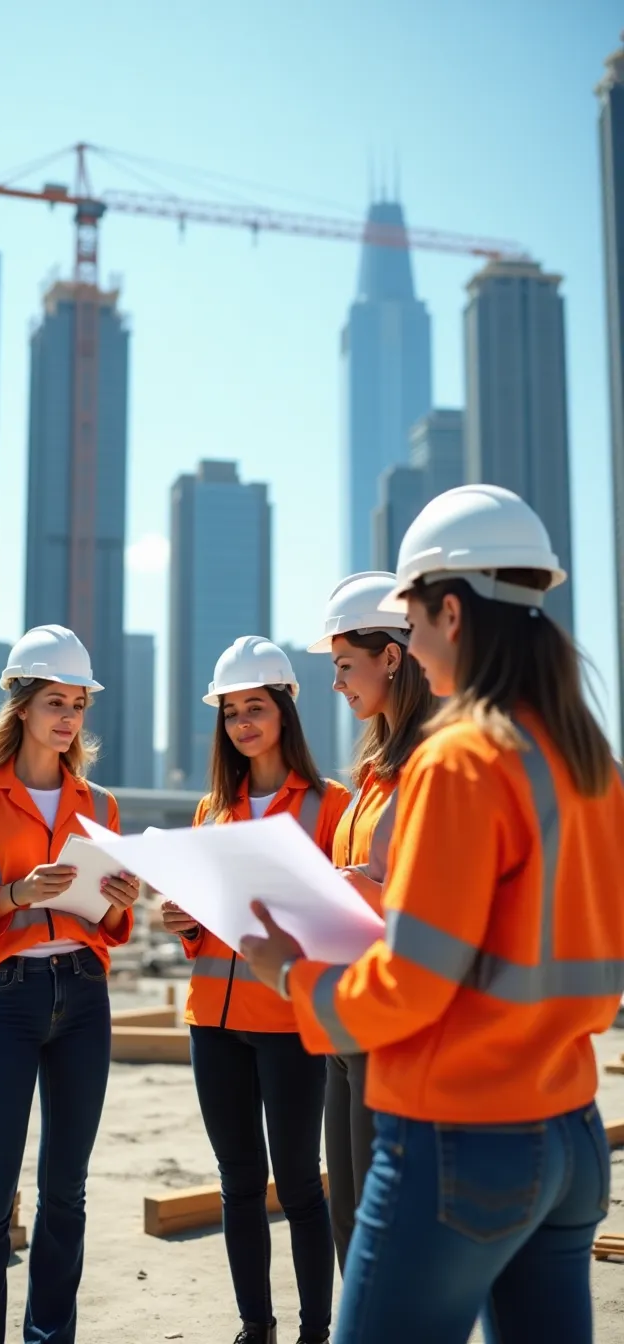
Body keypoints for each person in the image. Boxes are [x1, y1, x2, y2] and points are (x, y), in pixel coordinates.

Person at [240, 485, 624, 1344]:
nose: (408, 644)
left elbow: (413, 983)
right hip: (569, 1134)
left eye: (410, 624)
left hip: (462, 1140)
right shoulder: (590, 762)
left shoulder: (462, 759)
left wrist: (292, 980)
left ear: (451, 611)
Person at [0, 625, 140, 1344]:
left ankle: (52, 1338)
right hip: (5, 1001)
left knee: (67, 1195)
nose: (69, 717)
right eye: (55, 700)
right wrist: (15, 894)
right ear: (21, 706)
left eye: (78, 703)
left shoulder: (99, 805)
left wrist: (118, 897)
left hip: (83, 997)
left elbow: (107, 925)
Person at [161, 637, 351, 1344]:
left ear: (284, 711)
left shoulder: (331, 806)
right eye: (231, 710)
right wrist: (181, 921)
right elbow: (204, 931)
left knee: (300, 1182)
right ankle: (255, 1326)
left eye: (256, 707)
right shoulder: (213, 811)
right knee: (237, 1181)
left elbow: (346, 926)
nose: (243, 723)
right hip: (212, 1020)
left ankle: (314, 1330)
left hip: (292, 1021)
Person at [307, 571, 433, 1272]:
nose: (338, 684)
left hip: (396, 1030)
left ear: (391, 655)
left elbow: (444, 901)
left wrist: (364, 891)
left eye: (344, 667)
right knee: (349, 1231)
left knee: (385, 1243)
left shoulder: (430, 767)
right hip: (345, 1026)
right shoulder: (374, 775)